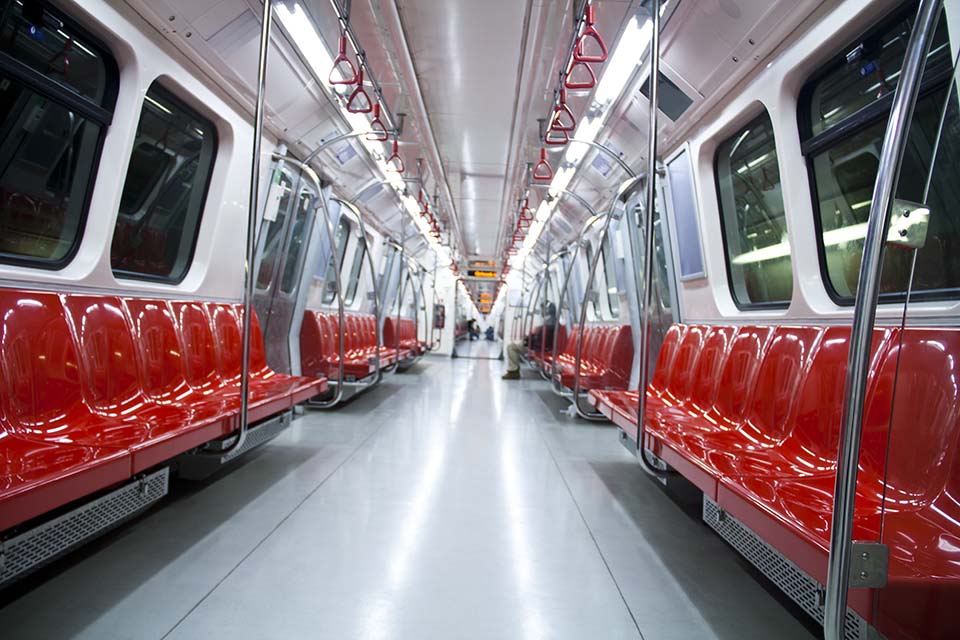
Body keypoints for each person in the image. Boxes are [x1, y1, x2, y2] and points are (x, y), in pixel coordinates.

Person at [502, 302, 556, 380]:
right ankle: (513, 369)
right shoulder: (552, 322)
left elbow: (541, 340)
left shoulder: (548, 323)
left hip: (538, 348)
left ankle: (513, 371)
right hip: (539, 346)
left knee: (511, 347)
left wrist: (528, 341)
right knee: (517, 344)